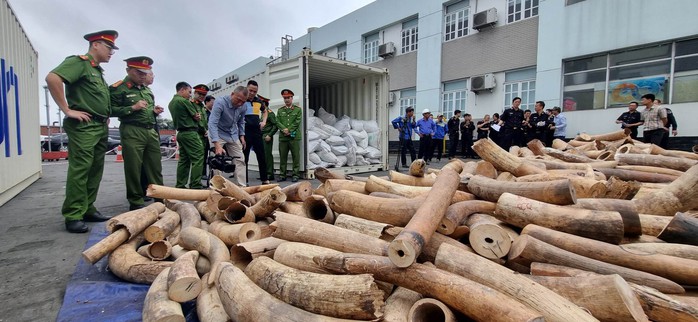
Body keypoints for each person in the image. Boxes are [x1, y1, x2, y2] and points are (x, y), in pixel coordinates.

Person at [45, 30, 119, 233]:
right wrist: (67, 110)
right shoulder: (79, 62)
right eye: (109, 47)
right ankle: (73, 214)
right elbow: (53, 78)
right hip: (84, 127)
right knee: (81, 170)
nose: (112, 52)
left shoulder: (97, 71)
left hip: (99, 126)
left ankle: (87, 208)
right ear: (95, 44)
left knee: (95, 169)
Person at [110, 56, 163, 211]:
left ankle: (159, 197)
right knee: (133, 167)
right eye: (139, 72)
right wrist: (132, 108)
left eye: (145, 72)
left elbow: (146, 111)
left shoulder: (147, 90)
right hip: (132, 130)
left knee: (155, 167)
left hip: (150, 130)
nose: (143, 75)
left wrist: (154, 112)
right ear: (128, 70)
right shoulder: (119, 88)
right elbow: (109, 110)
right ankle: (135, 200)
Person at [209, 86, 249, 186]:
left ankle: (242, 187)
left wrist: (242, 135)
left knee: (240, 159)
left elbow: (241, 122)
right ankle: (217, 187)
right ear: (232, 94)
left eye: (243, 102)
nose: (240, 104)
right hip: (218, 133)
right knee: (217, 160)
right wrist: (217, 145)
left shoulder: (243, 106)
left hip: (232, 134)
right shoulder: (220, 102)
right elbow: (212, 123)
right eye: (238, 100)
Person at [168, 82, 205, 189]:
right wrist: (198, 119)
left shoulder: (172, 102)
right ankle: (195, 184)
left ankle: (180, 184)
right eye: (189, 92)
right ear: (182, 90)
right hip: (190, 133)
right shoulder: (184, 101)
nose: (190, 95)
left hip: (181, 133)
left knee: (184, 160)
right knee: (198, 157)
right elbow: (197, 117)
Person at [244, 80, 271, 184]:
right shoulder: (242, 100)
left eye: (254, 91)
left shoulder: (258, 101)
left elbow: (265, 111)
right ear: (246, 88)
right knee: (244, 156)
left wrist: (263, 122)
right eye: (250, 90)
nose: (252, 93)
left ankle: (264, 179)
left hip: (256, 131)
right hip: (245, 132)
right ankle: (244, 181)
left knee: (261, 155)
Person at [276, 89, 303, 182]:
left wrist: (289, 130)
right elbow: (277, 122)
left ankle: (295, 175)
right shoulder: (280, 110)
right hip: (283, 137)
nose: (286, 100)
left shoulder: (298, 109)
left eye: (288, 98)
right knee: (283, 157)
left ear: (292, 98)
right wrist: (284, 129)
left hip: (294, 137)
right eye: (285, 98)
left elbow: (297, 121)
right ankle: (282, 175)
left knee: (296, 156)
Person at [190, 84, 210, 180]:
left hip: (203, 135)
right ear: (195, 93)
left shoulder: (202, 106)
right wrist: (203, 129)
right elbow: (197, 120)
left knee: (202, 158)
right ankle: (195, 183)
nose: (202, 96)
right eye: (200, 94)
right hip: (195, 134)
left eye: (204, 95)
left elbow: (204, 121)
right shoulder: (191, 104)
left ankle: (197, 180)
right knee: (197, 160)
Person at [262, 102, 279, 180]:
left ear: (264, 104)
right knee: (262, 155)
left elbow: (275, 125)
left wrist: (270, 135)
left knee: (267, 155)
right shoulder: (261, 112)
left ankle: (269, 174)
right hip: (260, 136)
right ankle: (264, 173)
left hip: (266, 135)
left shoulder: (270, 113)